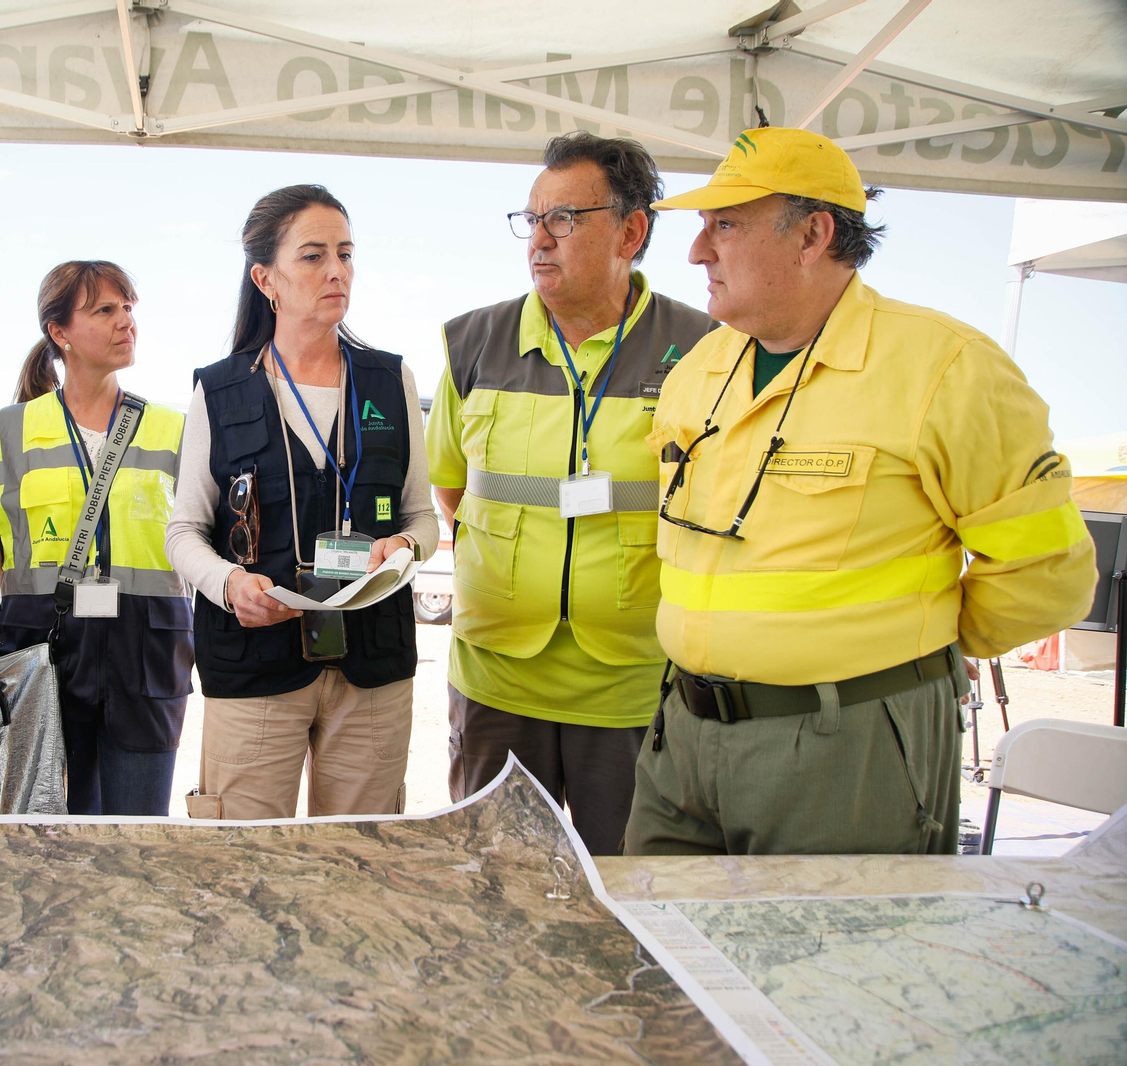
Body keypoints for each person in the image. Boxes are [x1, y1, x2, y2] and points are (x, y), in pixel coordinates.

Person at [625, 127, 1097, 856]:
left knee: (826, 967)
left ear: (813, 234)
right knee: (662, 956)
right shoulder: (699, 367)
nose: (696, 251)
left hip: (848, 747)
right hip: (680, 735)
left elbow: (1051, 576)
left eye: (725, 225)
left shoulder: (947, 369)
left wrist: (918, 648)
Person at [426, 134, 714, 854]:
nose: (539, 241)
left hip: (629, 689)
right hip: (497, 684)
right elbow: (452, 489)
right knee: (493, 887)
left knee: (627, 890)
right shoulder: (473, 343)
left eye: (564, 219)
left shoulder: (705, 350)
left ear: (632, 231)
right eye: (531, 220)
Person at [166, 184, 439, 820]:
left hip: (370, 663)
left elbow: (422, 517)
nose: (337, 270)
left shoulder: (391, 380)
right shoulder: (220, 389)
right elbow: (185, 531)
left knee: (358, 861)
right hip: (255, 665)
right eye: (313, 256)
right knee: (245, 862)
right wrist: (230, 583)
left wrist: (401, 545)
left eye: (345, 253)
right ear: (267, 278)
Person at [0, 261, 193, 816]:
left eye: (128, 308)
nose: (126, 321)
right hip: (42, 653)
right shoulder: (6, 430)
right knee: (41, 838)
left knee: (136, 837)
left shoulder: (175, 429)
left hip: (146, 655)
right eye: (105, 310)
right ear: (59, 332)